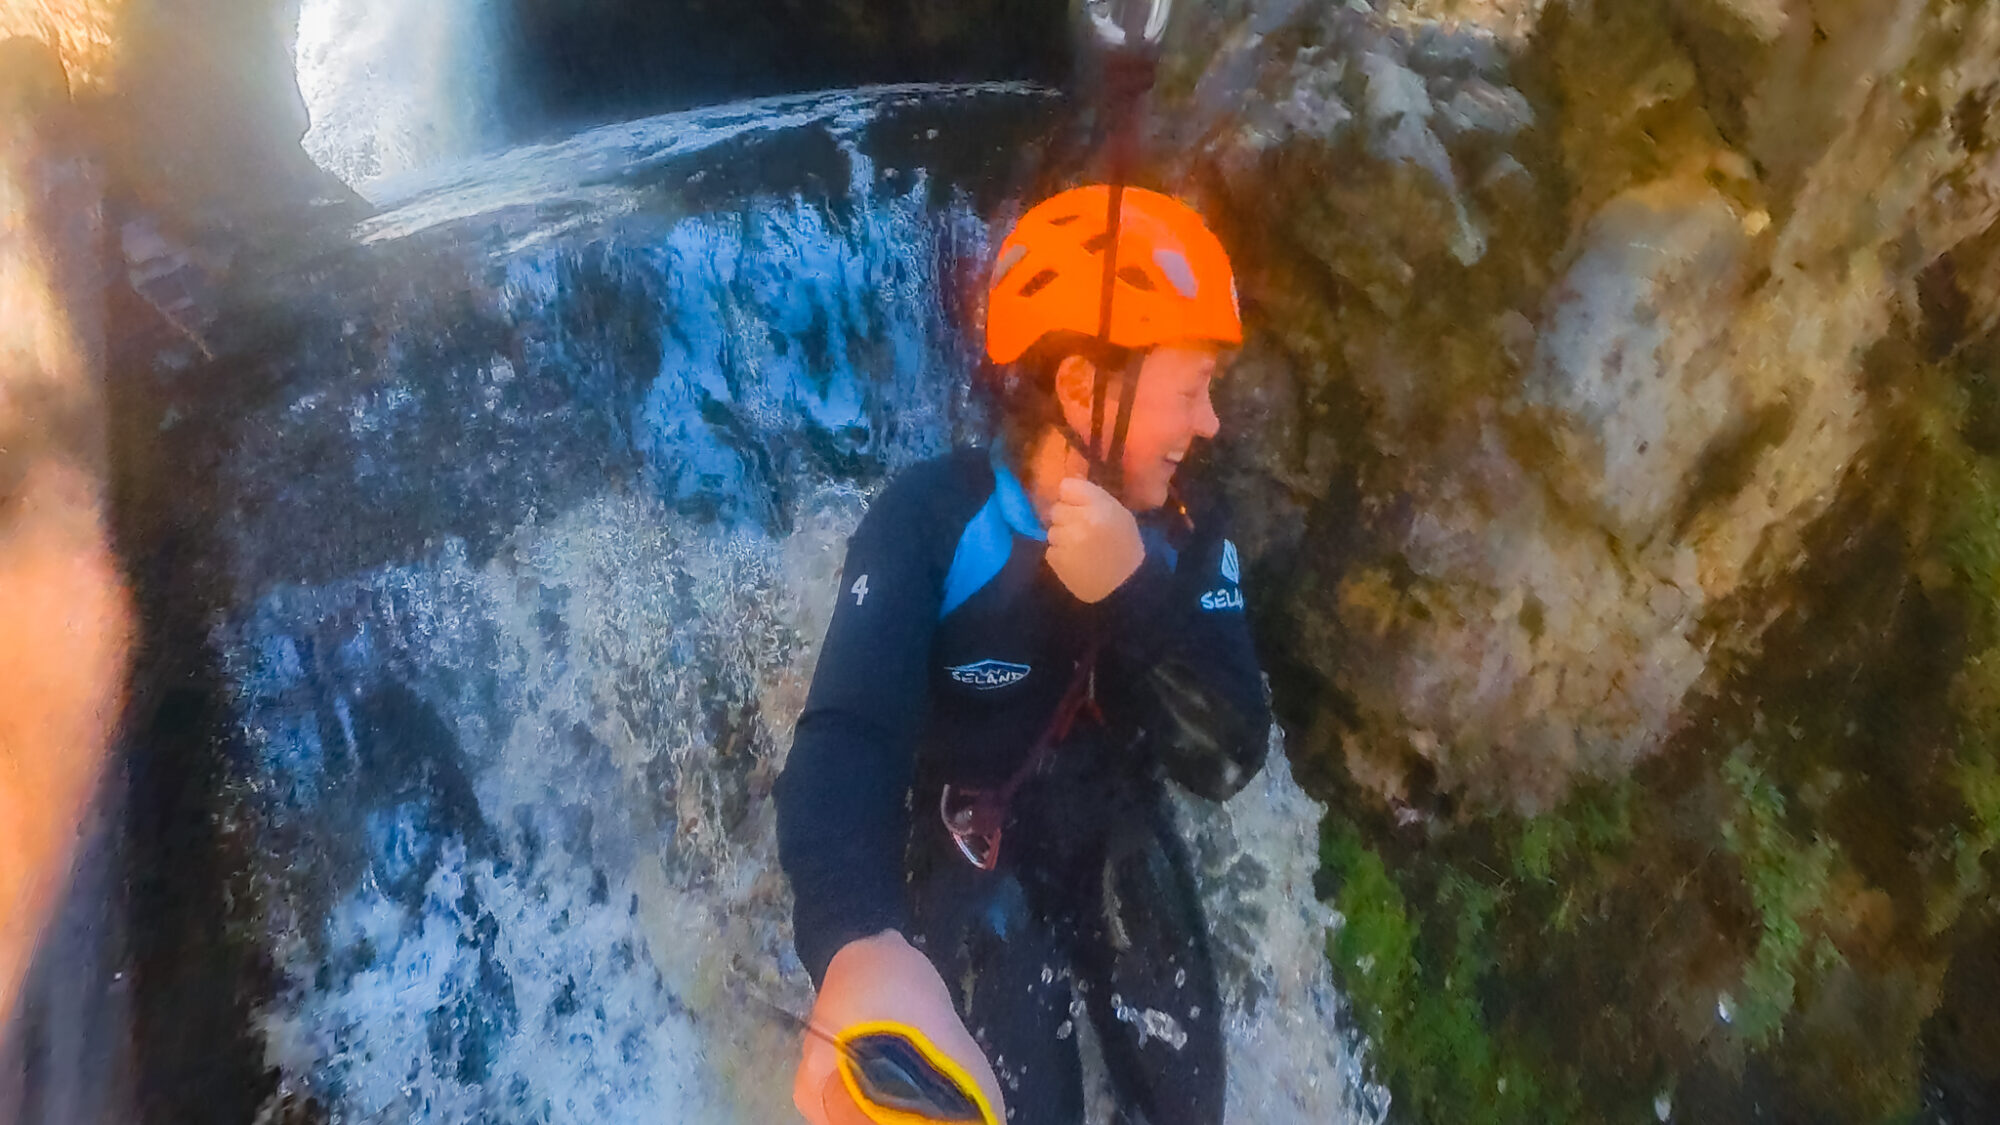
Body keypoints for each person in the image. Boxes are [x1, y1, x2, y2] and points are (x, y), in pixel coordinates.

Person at [775, 184, 1270, 1125]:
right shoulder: (932, 519)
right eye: (1191, 386)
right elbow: (845, 738)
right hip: (967, 844)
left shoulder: (1188, 534)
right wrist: (857, 937)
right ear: (1088, 390)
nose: (1210, 422)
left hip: (1114, 822)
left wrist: (1136, 593)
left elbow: (1231, 752)